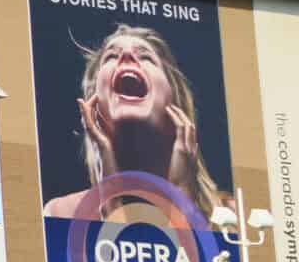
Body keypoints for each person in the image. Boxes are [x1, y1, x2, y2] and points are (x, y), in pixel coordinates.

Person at [40, 24, 229, 220]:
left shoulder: (230, 218)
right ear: (93, 106)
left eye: (146, 57)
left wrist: (182, 194)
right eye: (111, 56)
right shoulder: (62, 213)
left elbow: (191, 251)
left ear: (175, 98)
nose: (126, 56)